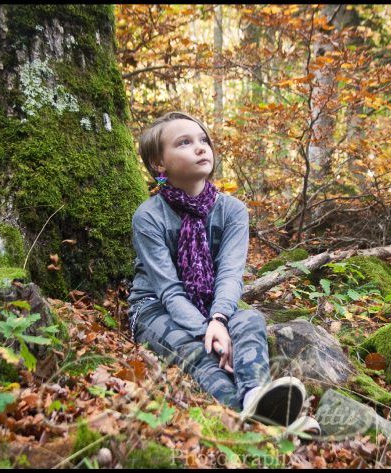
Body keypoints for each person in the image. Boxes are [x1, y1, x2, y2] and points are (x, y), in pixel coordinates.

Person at [126, 110, 307, 427]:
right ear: (159, 164)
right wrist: (208, 331)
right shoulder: (148, 216)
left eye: (203, 140)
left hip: (214, 306)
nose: (200, 148)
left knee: (250, 319)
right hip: (155, 308)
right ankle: (259, 423)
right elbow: (167, 290)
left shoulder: (233, 210)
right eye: (184, 142)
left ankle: (255, 396)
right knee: (199, 354)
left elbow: (230, 276)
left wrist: (220, 319)